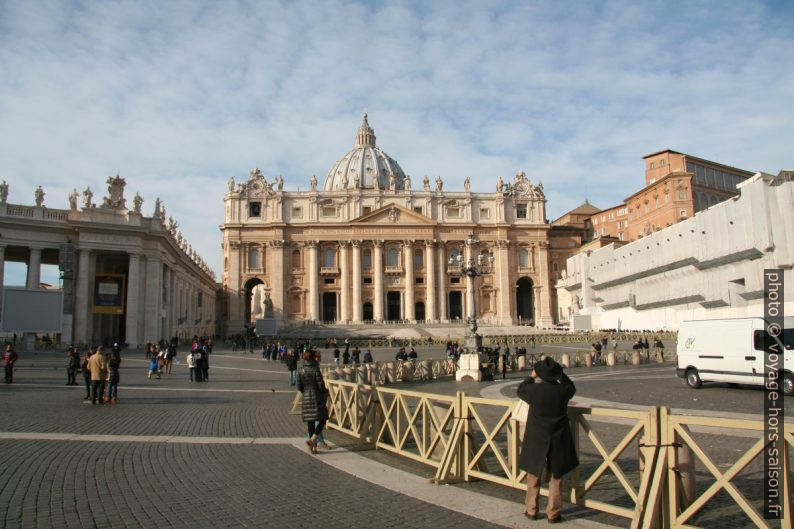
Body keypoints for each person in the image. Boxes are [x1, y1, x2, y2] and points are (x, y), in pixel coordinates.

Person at [517, 358, 578, 523]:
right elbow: (572, 387)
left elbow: (520, 389)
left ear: (540, 374)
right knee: (556, 476)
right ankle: (553, 513)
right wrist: (561, 375)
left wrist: (531, 376)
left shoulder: (534, 390)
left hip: (537, 437)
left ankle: (531, 510)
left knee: (533, 475)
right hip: (558, 437)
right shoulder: (563, 390)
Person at [297, 350, 327, 454]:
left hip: (306, 398)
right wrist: (324, 392)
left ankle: (312, 446)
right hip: (317, 397)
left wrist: (305, 392)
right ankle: (314, 438)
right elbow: (321, 386)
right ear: (313, 357)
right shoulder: (315, 369)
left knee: (310, 421)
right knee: (323, 419)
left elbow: (299, 386)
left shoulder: (301, 370)